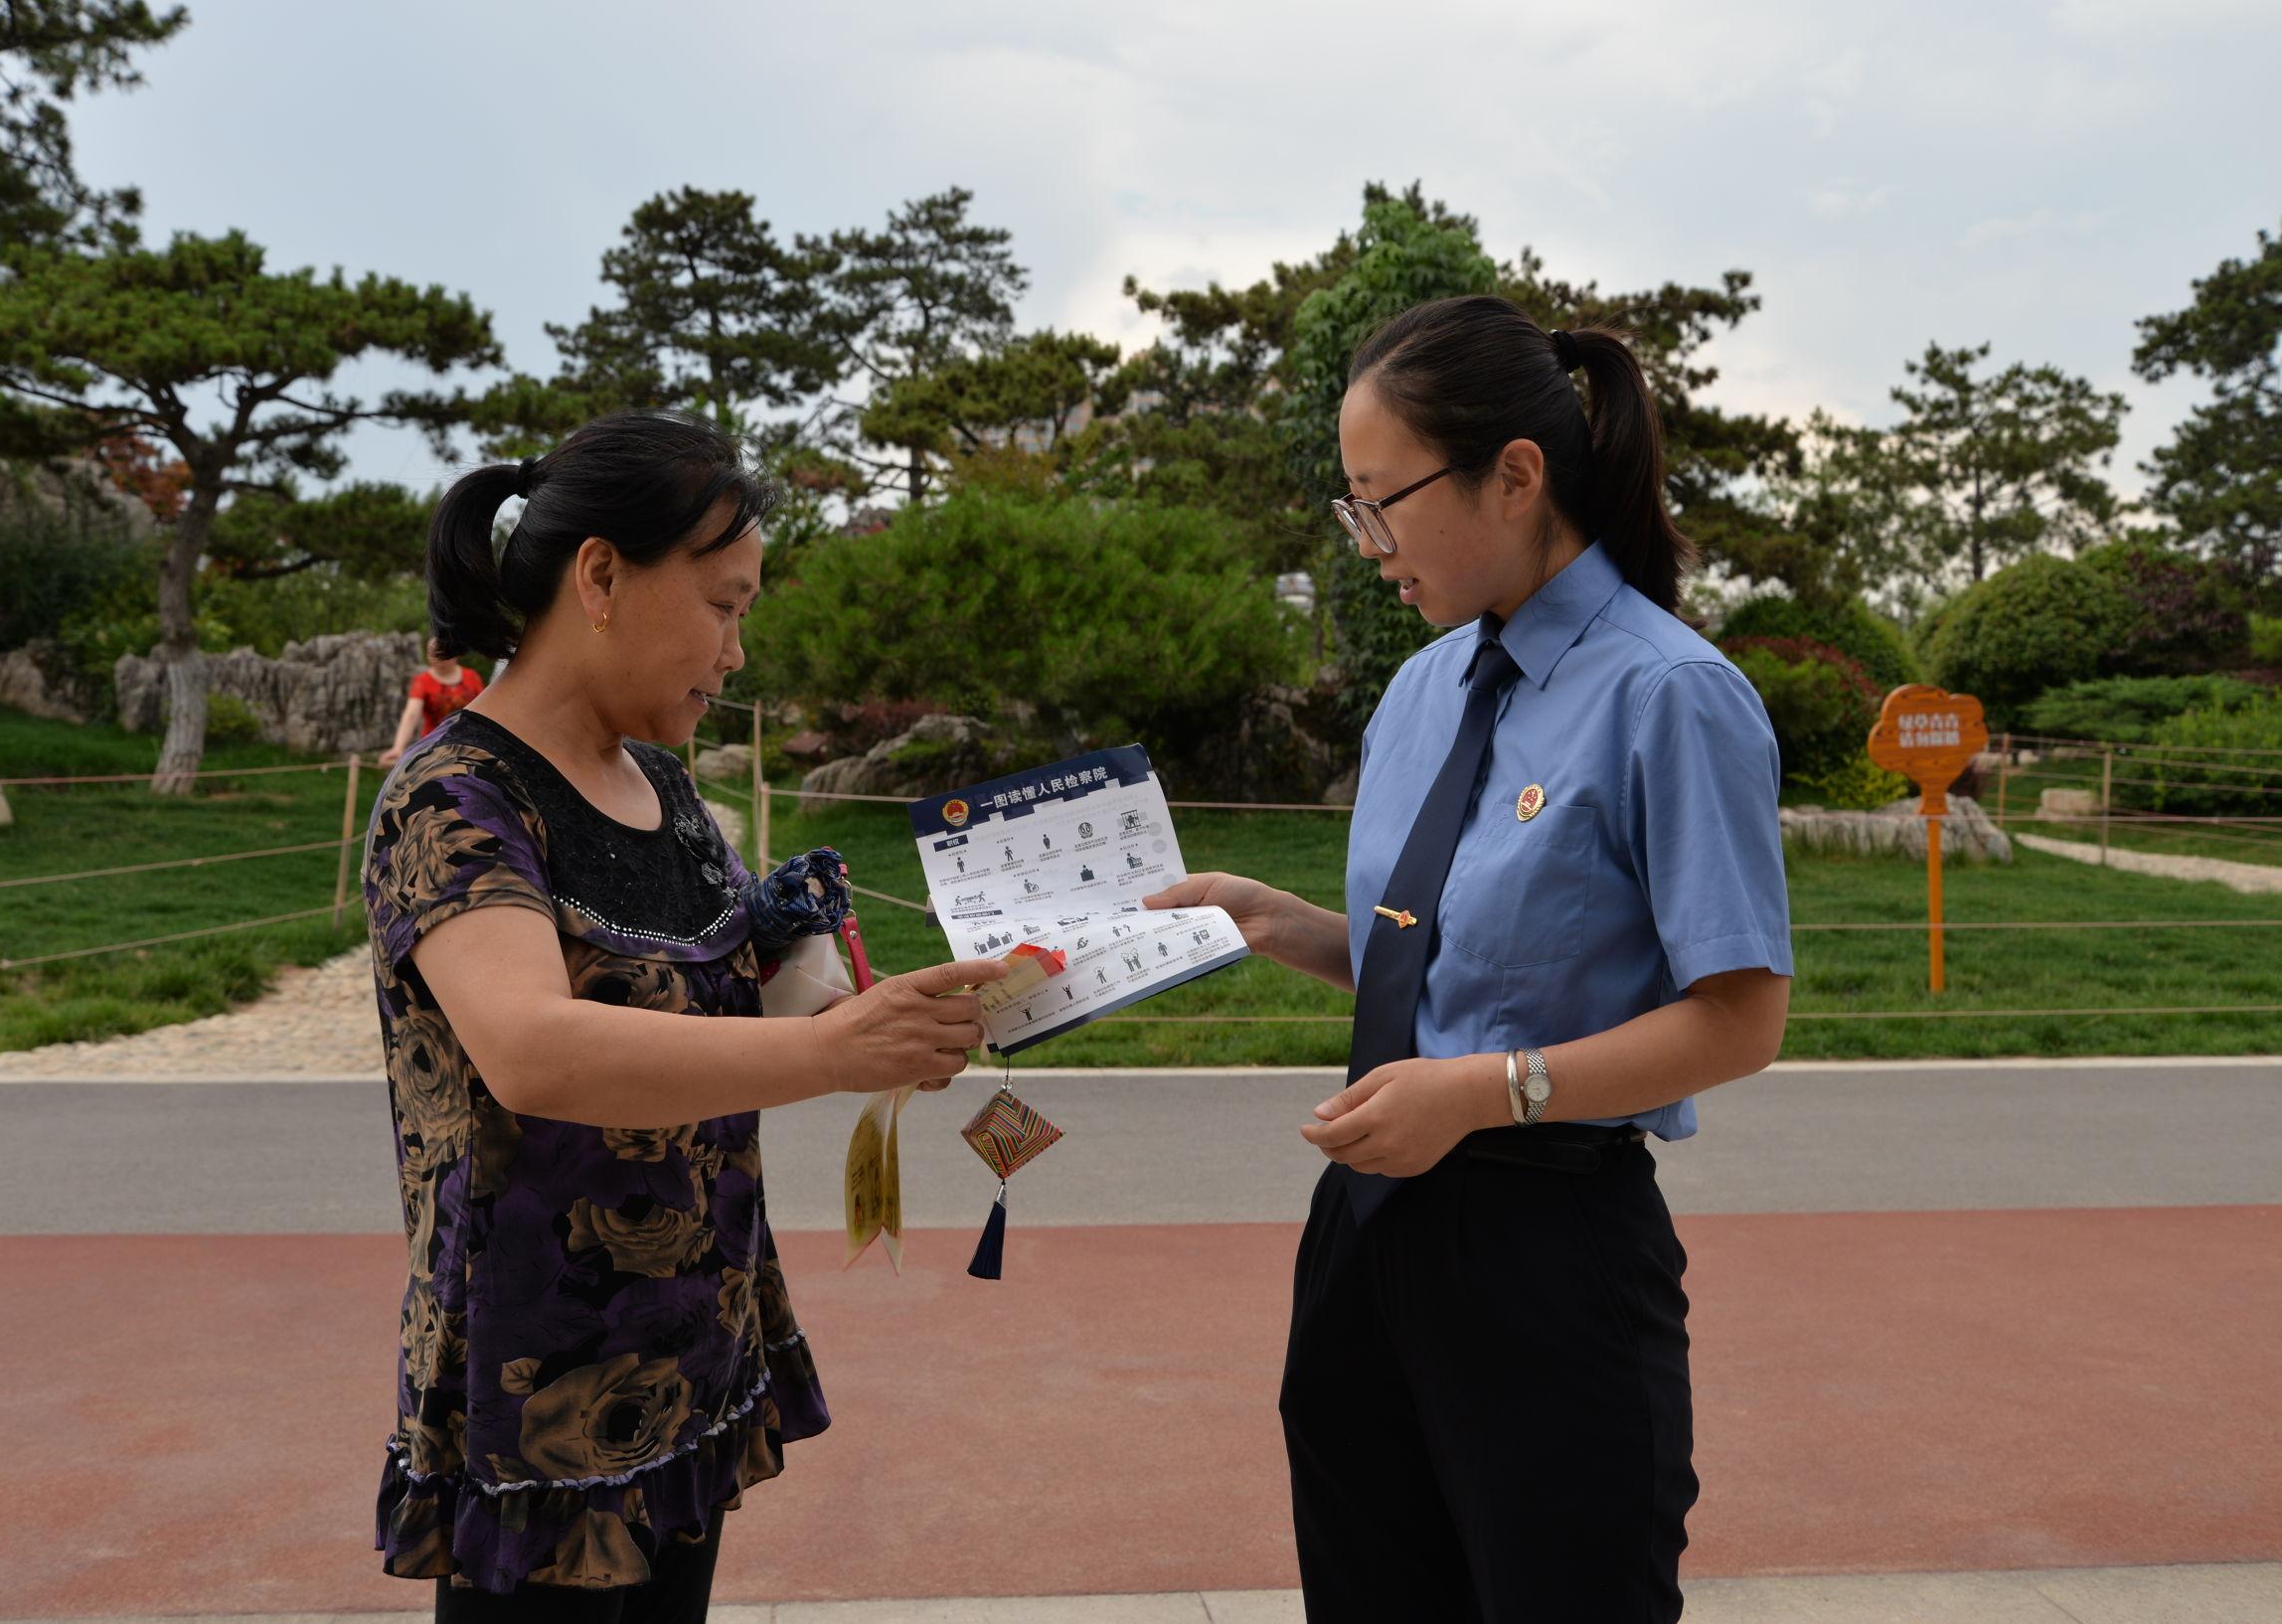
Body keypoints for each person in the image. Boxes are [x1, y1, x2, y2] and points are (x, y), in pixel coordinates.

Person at [1147, 295, 1792, 1622]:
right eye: (1350, 506)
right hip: (1366, 1227)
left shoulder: (1665, 694)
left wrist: (1485, 1089)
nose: (1368, 542)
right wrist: (1269, 920)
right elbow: (1444, 966)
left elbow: (1737, 1017)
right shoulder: (1420, 689)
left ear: (1515, 474)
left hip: (1546, 1241)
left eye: (1387, 500)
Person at [364, 409, 1000, 1621]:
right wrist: (820, 1050)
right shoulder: (456, 798)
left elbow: (725, 1007)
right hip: (537, 1389)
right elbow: (531, 1049)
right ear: (600, 576)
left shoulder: (659, 782)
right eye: (722, 604)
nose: (739, 650)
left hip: (687, 1352)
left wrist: (884, 1018)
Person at [379, 639, 486, 765]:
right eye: (434, 654)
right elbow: (411, 715)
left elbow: (486, 710)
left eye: (443, 653)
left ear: (455, 654)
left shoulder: (471, 677)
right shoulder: (423, 681)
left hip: (473, 743)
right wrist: (398, 747)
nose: (438, 658)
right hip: (435, 747)